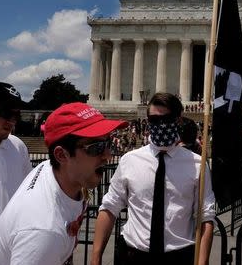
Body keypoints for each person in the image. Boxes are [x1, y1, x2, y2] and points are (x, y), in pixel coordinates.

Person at [0, 102, 128, 264]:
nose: (108, 155)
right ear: (61, 155)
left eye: (108, 143)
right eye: (96, 147)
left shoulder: (54, 172)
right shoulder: (43, 232)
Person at [91, 92, 215, 265]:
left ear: (178, 120)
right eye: (155, 120)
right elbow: (110, 208)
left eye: (167, 119)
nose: (161, 124)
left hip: (178, 256)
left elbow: (206, 217)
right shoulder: (130, 160)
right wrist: (95, 258)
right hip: (133, 255)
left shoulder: (197, 165)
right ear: (148, 121)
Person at [0, 81, 32, 231]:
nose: (12, 121)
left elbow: (28, 194)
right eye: (6, 113)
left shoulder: (18, 147)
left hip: (10, 247)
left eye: (16, 115)